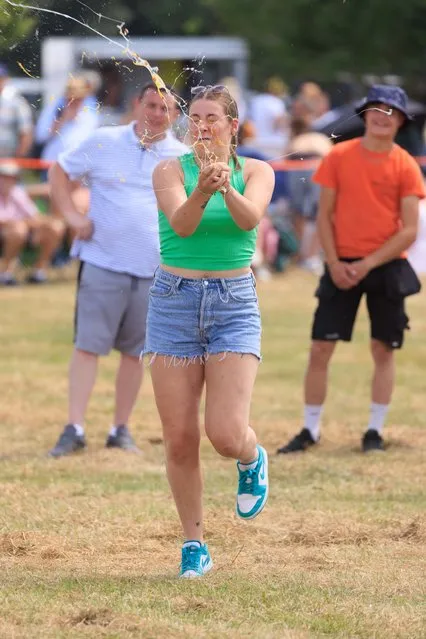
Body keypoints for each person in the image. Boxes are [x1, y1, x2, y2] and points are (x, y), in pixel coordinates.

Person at [145, 85, 275, 577]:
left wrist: (225, 188)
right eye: (195, 117)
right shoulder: (169, 170)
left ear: (232, 125)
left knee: (223, 434)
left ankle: (250, 454)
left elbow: (250, 220)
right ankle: (194, 544)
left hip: (233, 304)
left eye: (212, 118)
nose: (202, 125)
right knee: (179, 436)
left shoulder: (257, 171)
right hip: (173, 302)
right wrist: (201, 188)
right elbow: (180, 225)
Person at [277, 85, 425, 455]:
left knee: (383, 349)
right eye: (375, 108)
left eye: (390, 110)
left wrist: (367, 264)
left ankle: (374, 430)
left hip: (386, 266)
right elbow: (323, 215)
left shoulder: (405, 165)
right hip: (339, 264)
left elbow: (409, 228)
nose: (381, 115)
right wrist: (334, 262)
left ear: (401, 119)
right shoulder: (339, 156)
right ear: (364, 114)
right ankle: (310, 429)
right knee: (320, 347)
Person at [47, 81, 188, 458]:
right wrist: (74, 218)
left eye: (166, 109)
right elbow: (58, 174)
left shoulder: (182, 156)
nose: (158, 114)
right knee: (87, 347)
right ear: (137, 104)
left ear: (176, 116)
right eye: (152, 105)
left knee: (135, 352)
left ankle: (120, 429)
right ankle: (74, 428)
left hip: (154, 272)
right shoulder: (104, 141)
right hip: (102, 263)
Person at [0, 162, 65, 285]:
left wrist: (46, 223)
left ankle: (39, 273)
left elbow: (34, 217)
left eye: (11, 177)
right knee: (18, 230)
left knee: (55, 227)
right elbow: (4, 222)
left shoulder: (17, 193)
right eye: (3, 177)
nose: (6, 181)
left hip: (22, 231)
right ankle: (4, 273)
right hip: (10, 233)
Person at [286, 112, 332, 274]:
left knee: (307, 214)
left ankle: (306, 255)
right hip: (314, 165)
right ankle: (308, 255)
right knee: (313, 214)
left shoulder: (298, 141)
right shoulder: (320, 139)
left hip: (303, 166)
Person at [35, 77, 99, 163]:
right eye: (71, 98)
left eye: (78, 98)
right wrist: (61, 120)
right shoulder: (54, 108)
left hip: (80, 165)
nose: (74, 102)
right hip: (53, 164)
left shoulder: (90, 113)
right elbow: (41, 136)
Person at [0, 63, 33, 158]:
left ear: (5, 79)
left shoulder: (16, 101)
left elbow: (26, 131)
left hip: (9, 157)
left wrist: (19, 157)